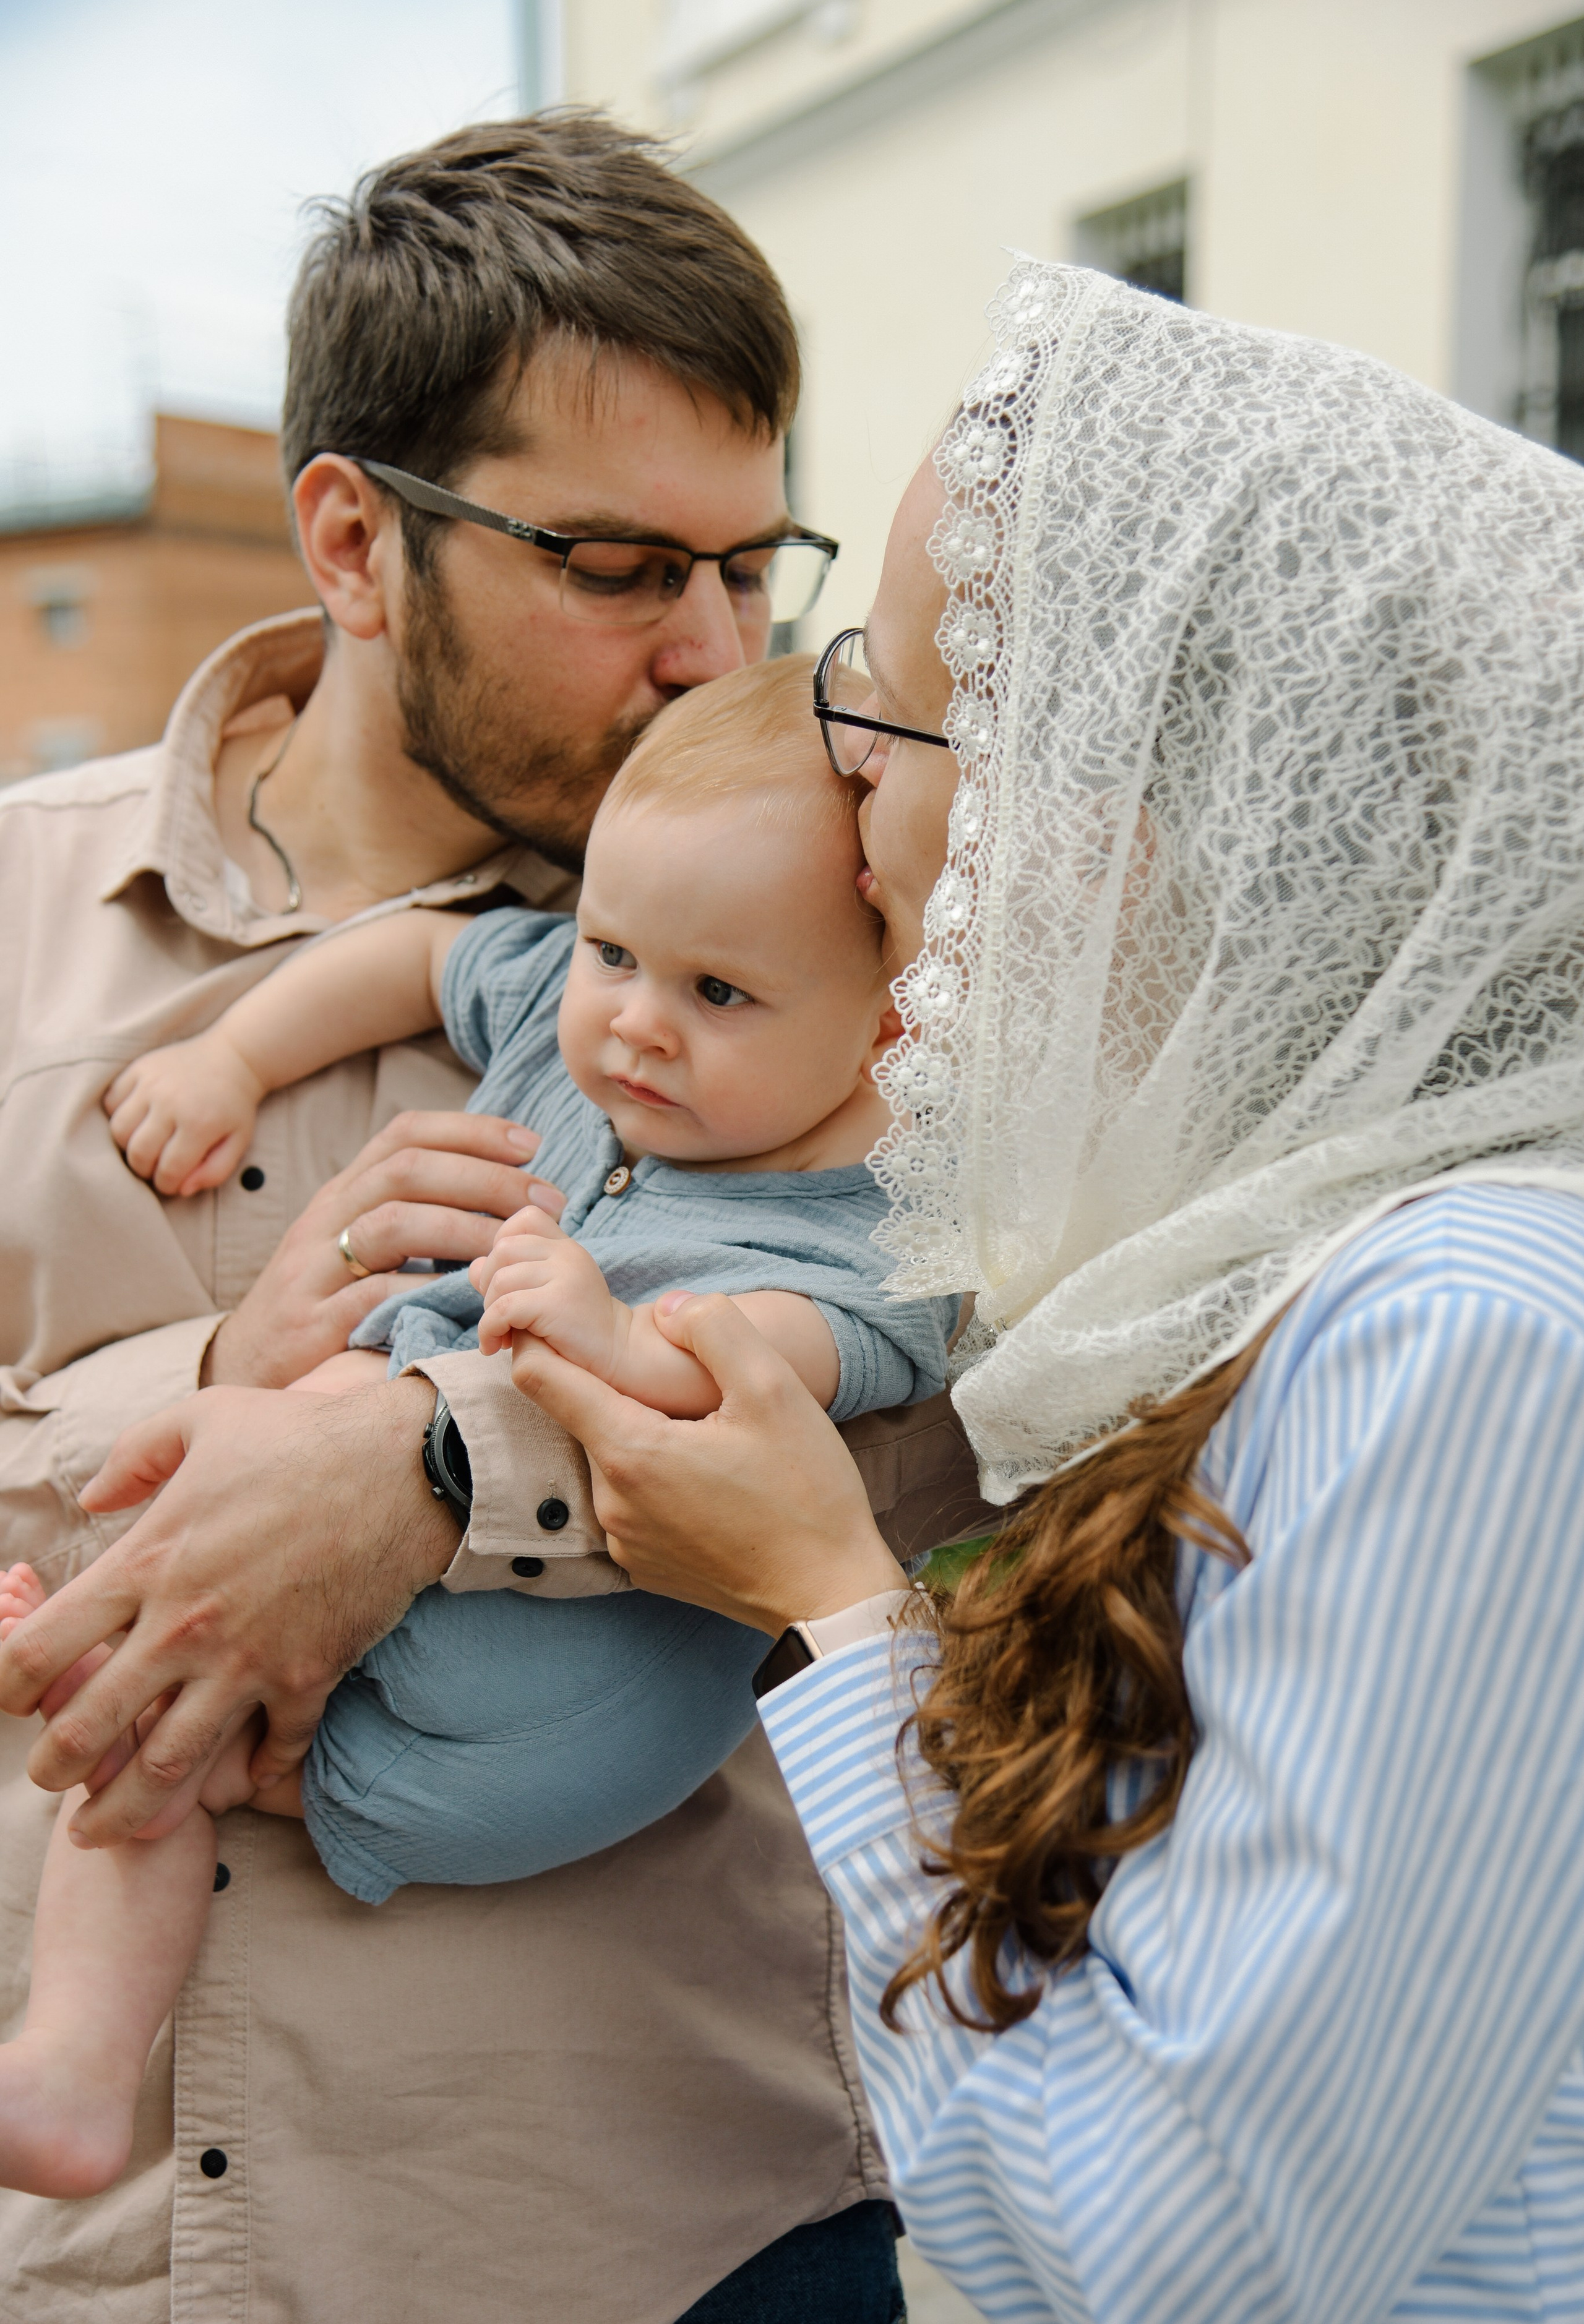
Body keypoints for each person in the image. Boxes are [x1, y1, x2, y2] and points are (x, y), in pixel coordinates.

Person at [462, 264, 1584, 2322]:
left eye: (885, 698)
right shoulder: (1300, 1264)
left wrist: (827, 1597)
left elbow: (1164, 2239)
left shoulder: (1472, 1333)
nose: (844, 789)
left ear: (1129, 812)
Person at [0, 116, 980, 2323]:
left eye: (758, 564)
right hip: (87, 2253)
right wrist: (214, 1397)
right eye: (627, 564)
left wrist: (427, 1457)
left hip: (647, 2233)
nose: (714, 650)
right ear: (353, 537)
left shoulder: (859, 936)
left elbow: (946, 1446)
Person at [0, 654, 961, 2200]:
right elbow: (415, 960)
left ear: (895, 1024)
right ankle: (72, 2068)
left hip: (576, 1710)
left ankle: (148, 1638)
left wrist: (601, 1338)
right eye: (610, 953)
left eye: (716, 993)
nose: (633, 1025)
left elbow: (761, 1376)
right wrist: (232, 1057)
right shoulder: (585, 1034)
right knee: (160, 1717)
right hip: (382, 1670)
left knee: (310, 1420)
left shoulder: (881, 1223)